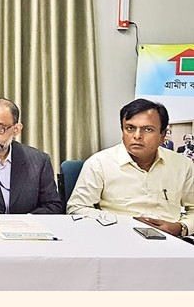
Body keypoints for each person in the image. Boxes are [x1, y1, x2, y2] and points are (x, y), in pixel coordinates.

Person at [67, 98, 194, 236]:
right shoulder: (100, 163)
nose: (137, 136)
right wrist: (124, 222)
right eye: (130, 128)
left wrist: (181, 227)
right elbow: (76, 208)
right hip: (117, 237)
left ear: (163, 135)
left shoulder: (182, 165)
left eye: (148, 129)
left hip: (172, 242)